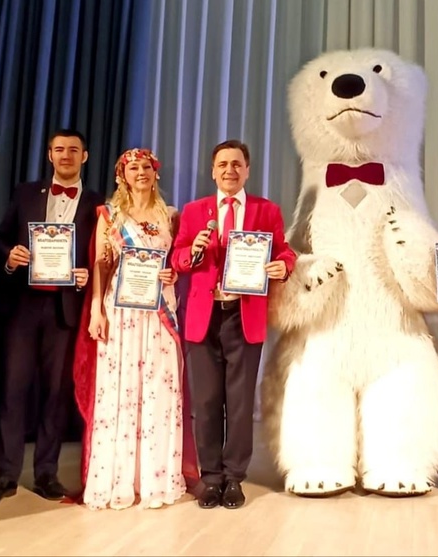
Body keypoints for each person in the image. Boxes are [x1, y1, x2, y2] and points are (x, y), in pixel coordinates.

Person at [0, 129, 104, 509]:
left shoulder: (98, 205)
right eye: (59, 149)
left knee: (56, 396)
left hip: (66, 310)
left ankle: (46, 472)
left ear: (85, 156)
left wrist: (88, 274)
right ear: (49, 155)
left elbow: (102, 257)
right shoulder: (26, 193)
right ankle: (5, 475)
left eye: (73, 150)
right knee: (13, 391)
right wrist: (10, 256)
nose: (66, 155)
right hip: (23, 309)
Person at [171, 139, 296, 510]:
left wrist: (284, 266)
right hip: (203, 316)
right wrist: (193, 250)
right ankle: (210, 477)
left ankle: (233, 477)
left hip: (244, 314)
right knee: (207, 401)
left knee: (240, 404)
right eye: (223, 164)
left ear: (247, 170)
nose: (230, 170)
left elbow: (284, 251)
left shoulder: (266, 210)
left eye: (237, 164)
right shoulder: (194, 211)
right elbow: (177, 258)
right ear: (213, 171)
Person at [72, 148, 197, 510]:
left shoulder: (170, 216)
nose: (140, 172)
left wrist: (173, 274)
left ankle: (155, 479)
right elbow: (101, 264)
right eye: (133, 168)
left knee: (159, 389)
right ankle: (119, 478)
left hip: (159, 312)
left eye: (146, 167)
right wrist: (96, 310)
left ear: (156, 173)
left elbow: (178, 261)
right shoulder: (110, 215)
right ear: (121, 176)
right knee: (121, 391)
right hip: (121, 310)